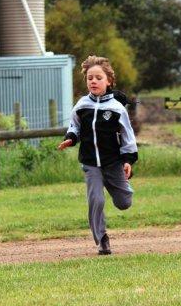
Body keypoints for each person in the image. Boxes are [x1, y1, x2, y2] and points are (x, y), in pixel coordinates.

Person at [58, 55, 138, 255]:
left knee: (124, 203)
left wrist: (128, 160)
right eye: (90, 78)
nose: (93, 81)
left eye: (98, 78)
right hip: (90, 163)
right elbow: (74, 127)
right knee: (97, 200)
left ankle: (120, 185)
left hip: (113, 163)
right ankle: (102, 239)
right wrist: (70, 138)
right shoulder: (82, 105)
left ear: (108, 81)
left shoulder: (117, 108)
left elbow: (128, 136)